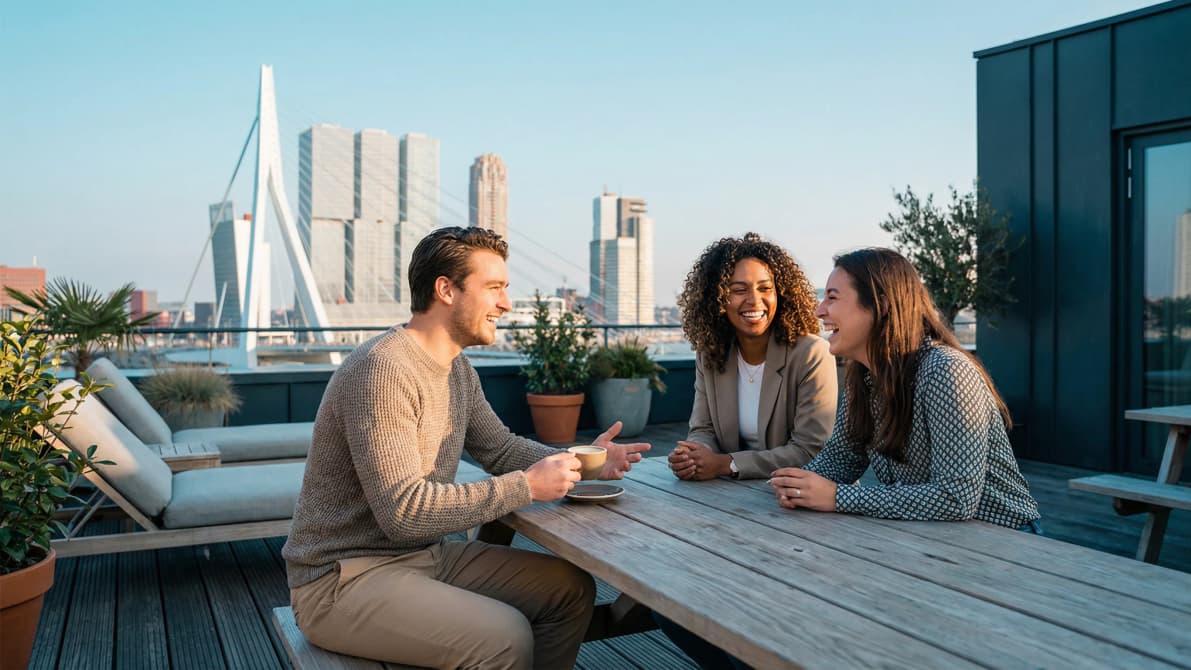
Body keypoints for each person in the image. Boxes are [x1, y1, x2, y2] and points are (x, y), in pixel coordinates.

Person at [282, 226, 651, 669]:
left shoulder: (457, 369)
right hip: (341, 580)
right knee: (504, 638)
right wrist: (527, 487)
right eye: (494, 288)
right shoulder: (381, 371)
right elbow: (403, 512)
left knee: (569, 590)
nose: (506, 304)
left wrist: (582, 462)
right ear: (446, 290)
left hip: (424, 557)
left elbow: (499, 449)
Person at [769, 247, 1041, 531]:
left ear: (882, 305)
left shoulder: (946, 371)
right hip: (929, 537)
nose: (819, 309)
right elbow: (841, 460)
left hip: (1008, 542)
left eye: (832, 297)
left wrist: (838, 497)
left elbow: (956, 499)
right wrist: (792, 485)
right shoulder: (863, 378)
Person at [668, 232, 838, 481]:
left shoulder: (811, 354)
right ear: (718, 299)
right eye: (739, 290)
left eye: (765, 288)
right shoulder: (711, 354)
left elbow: (810, 450)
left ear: (781, 293)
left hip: (806, 498)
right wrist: (693, 456)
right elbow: (703, 429)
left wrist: (727, 464)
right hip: (733, 498)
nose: (754, 301)